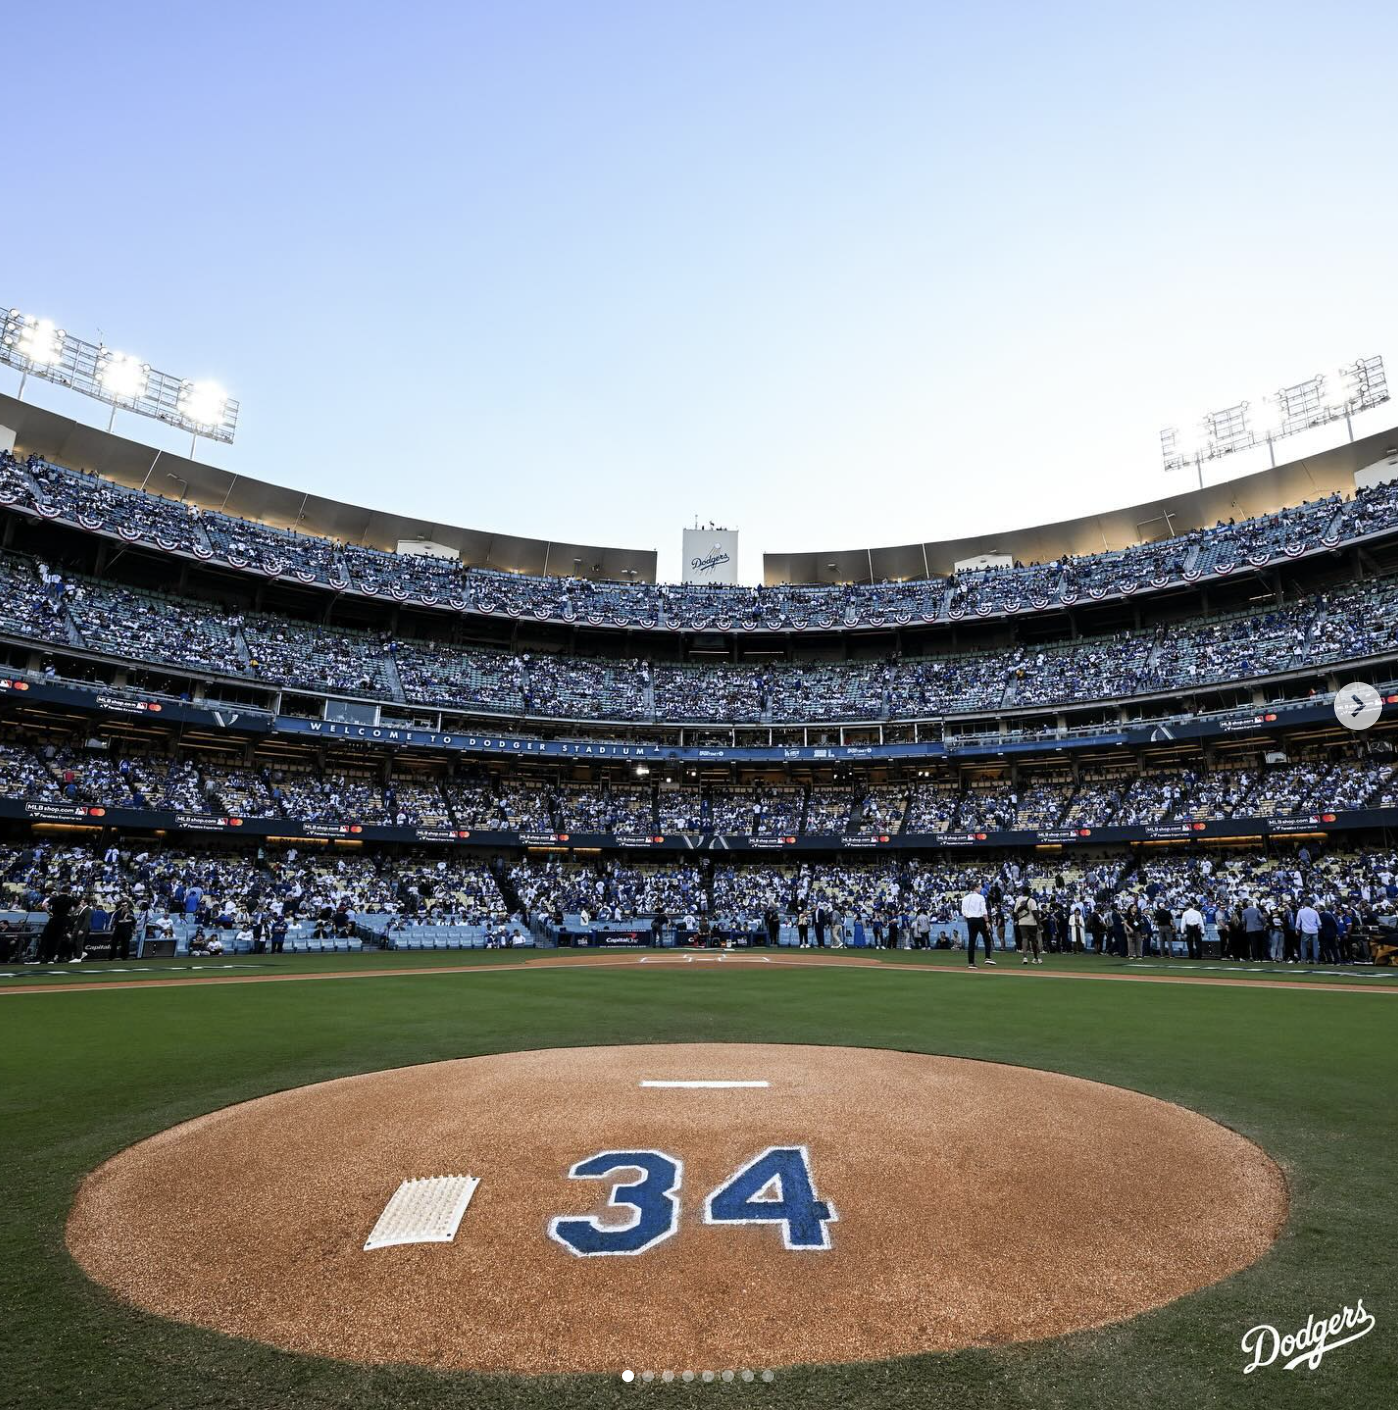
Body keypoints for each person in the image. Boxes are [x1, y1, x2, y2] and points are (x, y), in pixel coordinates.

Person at [961, 886, 995, 967]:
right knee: (987, 938)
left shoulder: (965, 898)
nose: (981, 889)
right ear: (975, 888)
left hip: (970, 920)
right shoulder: (980, 897)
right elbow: (983, 910)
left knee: (971, 941)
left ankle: (971, 963)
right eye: (979, 887)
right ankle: (987, 958)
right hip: (979, 919)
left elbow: (963, 912)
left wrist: (968, 921)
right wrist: (987, 921)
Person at [1014, 891, 1042, 964]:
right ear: (1029, 893)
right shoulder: (1032, 900)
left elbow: (1014, 912)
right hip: (1032, 923)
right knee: (1033, 940)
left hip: (1022, 922)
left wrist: (1018, 919)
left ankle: (1025, 958)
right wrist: (1039, 923)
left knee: (1024, 939)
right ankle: (1035, 958)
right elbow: (1035, 912)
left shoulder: (1018, 900)